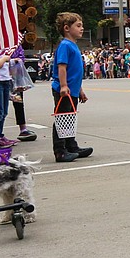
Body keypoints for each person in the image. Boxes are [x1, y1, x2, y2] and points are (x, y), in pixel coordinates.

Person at [51, 12, 94, 162]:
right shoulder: (65, 45)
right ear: (67, 28)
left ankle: (71, 146)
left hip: (73, 90)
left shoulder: (73, 45)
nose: (82, 28)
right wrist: (63, 85)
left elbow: (75, 72)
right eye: (78, 25)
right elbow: (62, 67)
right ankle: (60, 151)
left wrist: (80, 90)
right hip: (64, 90)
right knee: (62, 119)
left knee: (70, 118)